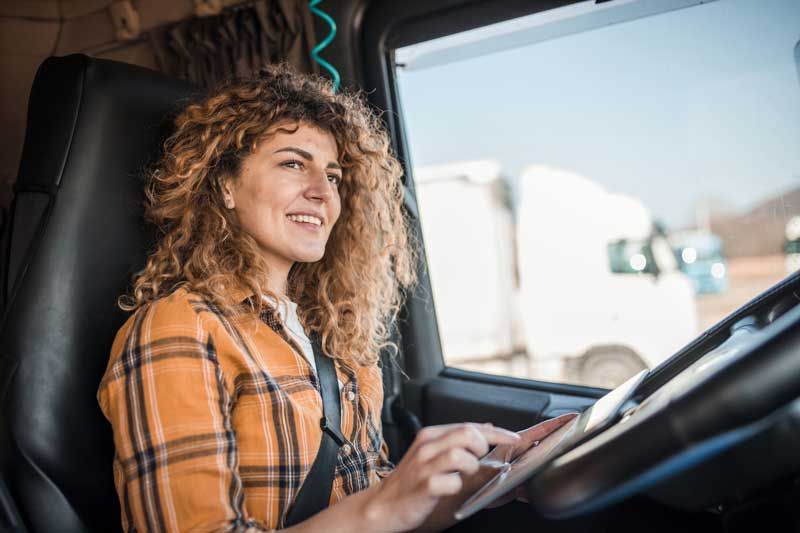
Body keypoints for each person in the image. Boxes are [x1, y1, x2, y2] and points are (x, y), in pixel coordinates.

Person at [97, 64, 545, 532]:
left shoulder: (333, 331)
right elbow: (374, 513)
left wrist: (483, 482)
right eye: (293, 164)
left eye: (333, 176)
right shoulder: (180, 327)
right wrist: (380, 508)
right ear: (225, 185)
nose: (322, 192)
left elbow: (377, 502)